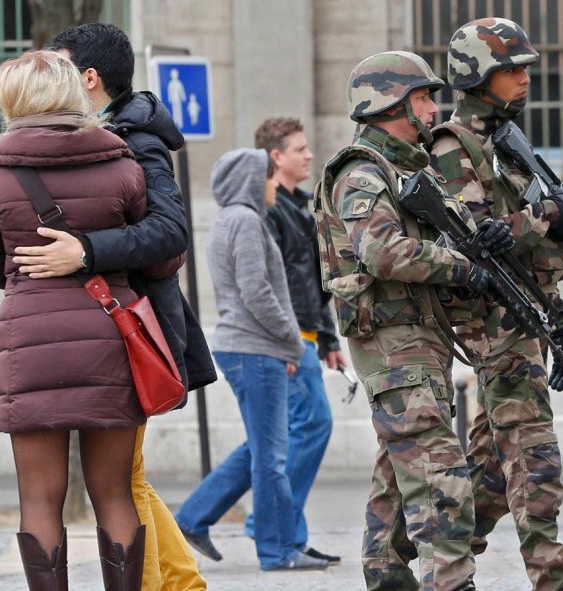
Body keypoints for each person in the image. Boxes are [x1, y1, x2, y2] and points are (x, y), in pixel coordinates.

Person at [11, 22, 215, 591]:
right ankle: (184, 584)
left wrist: (86, 253)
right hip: (120, 326)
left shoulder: (135, 140)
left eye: (59, 68)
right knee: (132, 478)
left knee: (124, 483)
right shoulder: (108, 133)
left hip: (131, 328)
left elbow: (170, 232)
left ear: (90, 79)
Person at [0, 50, 157, 591]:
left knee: (38, 498)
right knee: (115, 494)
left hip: (30, 344)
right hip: (109, 336)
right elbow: (160, 255)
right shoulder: (123, 165)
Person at [315, 51, 498, 590]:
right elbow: (383, 253)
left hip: (418, 341)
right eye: (423, 96)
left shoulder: (406, 170)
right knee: (439, 480)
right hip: (393, 345)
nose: (433, 107)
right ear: (391, 102)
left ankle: (387, 579)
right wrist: (463, 267)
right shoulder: (362, 171)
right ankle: (451, 581)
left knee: (398, 481)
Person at [429, 18, 563, 591]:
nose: (524, 80)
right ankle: (555, 581)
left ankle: (441, 566)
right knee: (536, 463)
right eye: (510, 70)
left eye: (524, 69)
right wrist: (548, 217)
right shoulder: (455, 145)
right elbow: (478, 236)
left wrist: (560, 326)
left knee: (492, 473)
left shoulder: (510, 148)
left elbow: (529, 259)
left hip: (523, 325)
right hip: (492, 327)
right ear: (476, 75)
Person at [174, 148, 329, 572]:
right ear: (249, 181)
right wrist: (291, 341)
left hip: (252, 346)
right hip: (254, 347)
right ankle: (277, 551)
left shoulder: (235, 219)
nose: (271, 184)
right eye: (266, 177)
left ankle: (191, 518)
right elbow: (256, 292)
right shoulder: (243, 221)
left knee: (263, 446)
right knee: (272, 456)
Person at [236, 117, 343, 565]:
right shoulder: (267, 210)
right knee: (311, 425)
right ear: (276, 156)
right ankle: (273, 525)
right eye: (300, 148)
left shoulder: (301, 206)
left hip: (306, 334)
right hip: (284, 338)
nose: (309, 155)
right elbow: (267, 288)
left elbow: (314, 280)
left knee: (273, 439)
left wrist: (329, 336)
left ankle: (280, 530)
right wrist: (287, 344)